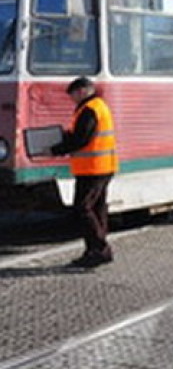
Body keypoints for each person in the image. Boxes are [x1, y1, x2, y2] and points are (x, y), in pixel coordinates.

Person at [51, 77, 118, 268]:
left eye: (72, 95)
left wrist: (55, 149)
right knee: (97, 209)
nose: (71, 99)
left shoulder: (90, 109)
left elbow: (81, 139)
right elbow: (80, 135)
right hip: (100, 166)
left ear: (81, 91)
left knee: (83, 208)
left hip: (93, 168)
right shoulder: (97, 106)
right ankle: (93, 252)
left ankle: (100, 248)